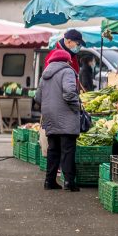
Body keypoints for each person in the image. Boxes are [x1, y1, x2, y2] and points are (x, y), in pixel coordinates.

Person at [35, 49, 82, 192]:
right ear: (67, 60)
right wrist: (77, 106)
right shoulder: (67, 71)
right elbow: (69, 93)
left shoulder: (45, 75)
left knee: (53, 149)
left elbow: (37, 97)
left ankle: (49, 181)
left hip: (49, 115)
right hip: (66, 115)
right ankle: (69, 182)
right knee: (68, 149)